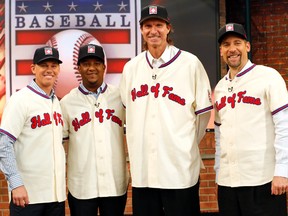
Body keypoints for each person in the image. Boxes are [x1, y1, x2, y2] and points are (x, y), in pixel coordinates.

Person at [120, 5, 213, 216]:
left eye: (159, 25)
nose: (154, 31)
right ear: (142, 30)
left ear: (168, 28)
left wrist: (184, 144)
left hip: (179, 171)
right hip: (144, 172)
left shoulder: (190, 63)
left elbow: (204, 114)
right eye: (148, 26)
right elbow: (129, 110)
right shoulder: (131, 68)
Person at [214, 23, 288, 216]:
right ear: (221, 50)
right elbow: (219, 134)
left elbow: (284, 125)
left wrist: (282, 171)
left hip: (262, 181)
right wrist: (218, 171)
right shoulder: (220, 88)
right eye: (226, 44)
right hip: (227, 183)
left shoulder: (268, 76)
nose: (232, 49)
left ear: (247, 46)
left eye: (237, 42)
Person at [60, 44, 128, 216]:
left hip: (115, 182)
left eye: (96, 63)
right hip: (82, 185)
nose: (91, 68)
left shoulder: (120, 97)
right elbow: (58, 143)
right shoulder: (67, 103)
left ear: (104, 67)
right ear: (79, 68)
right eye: (86, 63)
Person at [0, 46, 66, 216]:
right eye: (44, 65)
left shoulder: (56, 102)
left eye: (54, 65)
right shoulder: (20, 100)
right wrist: (16, 184)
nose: (49, 70)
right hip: (27, 197)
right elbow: (4, 143)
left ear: (59, 69)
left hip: (55, 197)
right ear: (33, 68)